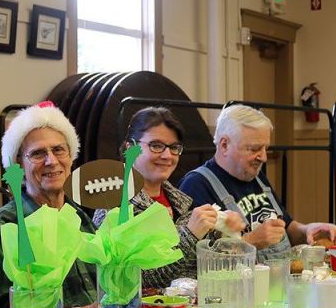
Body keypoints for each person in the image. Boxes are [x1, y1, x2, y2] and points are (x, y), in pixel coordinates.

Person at [0, 102, 96, 308]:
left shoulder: (80, 218)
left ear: (71, 157)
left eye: (59, 150)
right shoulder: (1, 227)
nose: (51, 161)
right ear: (18, 164)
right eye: (38, 153)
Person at [92, 107, 245, 289]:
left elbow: (200, 270)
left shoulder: (181, 202)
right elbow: (131, 279)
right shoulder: (113, 204)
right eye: (156, 146)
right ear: (130, 148)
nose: (167, 156)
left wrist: (222, 233)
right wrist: (190, 235)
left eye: (174, 148)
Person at [178, 104, 336, 261]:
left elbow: (287, 227)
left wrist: (308, 230)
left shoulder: (254, 175)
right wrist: (251, 241)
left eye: (265, 148)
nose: (263, 157)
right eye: (254, 149)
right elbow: (199, 261)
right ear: (224, 145)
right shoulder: (196, 185)